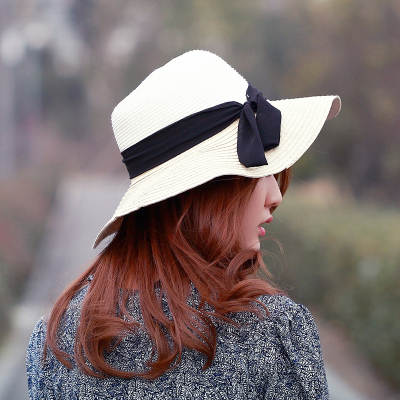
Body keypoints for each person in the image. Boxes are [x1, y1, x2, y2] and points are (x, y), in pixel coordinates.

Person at [27, 50, 340, 399]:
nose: (275, 195)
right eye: (256, 169)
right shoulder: (272, 334)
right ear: (204, 191)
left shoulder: (56, 342)